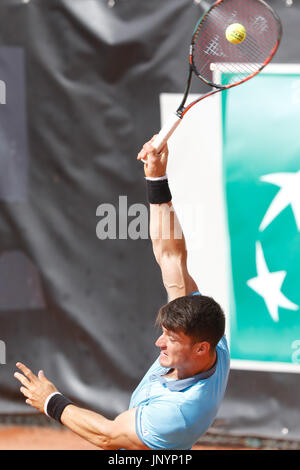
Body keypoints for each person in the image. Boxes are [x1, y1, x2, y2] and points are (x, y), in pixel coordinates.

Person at [14, 138, 230, 450]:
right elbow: (171, 255)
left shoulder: (178, 412)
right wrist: (157, 177)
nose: (159, 342)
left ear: (200, 349)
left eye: (171, 338)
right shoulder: (206, 337)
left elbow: (108, 435)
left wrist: (50, 401)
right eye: (165, 333)